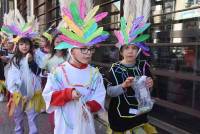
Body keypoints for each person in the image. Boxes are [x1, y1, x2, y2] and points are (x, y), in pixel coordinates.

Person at [42, 0, 109, 133]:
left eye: (90, 49)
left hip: (86, 123)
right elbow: (48, 96)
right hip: (64, 125)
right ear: (71, 50)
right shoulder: (58, 72)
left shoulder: (95, 73)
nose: (88, 53)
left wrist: (88, 106)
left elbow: (100, 96)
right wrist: (68, 94)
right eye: (83, 49)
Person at [106, 4, 157, 132]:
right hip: (120, 116)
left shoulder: (143, 65)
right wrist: (123, 85)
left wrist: (150, 84)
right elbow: (110, 92)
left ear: (138, 51)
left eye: (134, 48)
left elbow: (149, 91)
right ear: (121, 51)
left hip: (140, 115)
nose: (130, 51)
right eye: (127, 48)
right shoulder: (115, 68)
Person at [6, 37, 45, 134]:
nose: (24, 46)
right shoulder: (15, 59)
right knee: (18, 116)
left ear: (30, 45)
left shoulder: (36, 56)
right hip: (18, 93)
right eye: (21, 44)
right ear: (18, 46)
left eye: (26, 44)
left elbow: (39, 72)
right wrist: (19, 91)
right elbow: (12, 77)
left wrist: (31, 61)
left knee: (32, 116)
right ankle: (19, 131)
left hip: (33, 93)